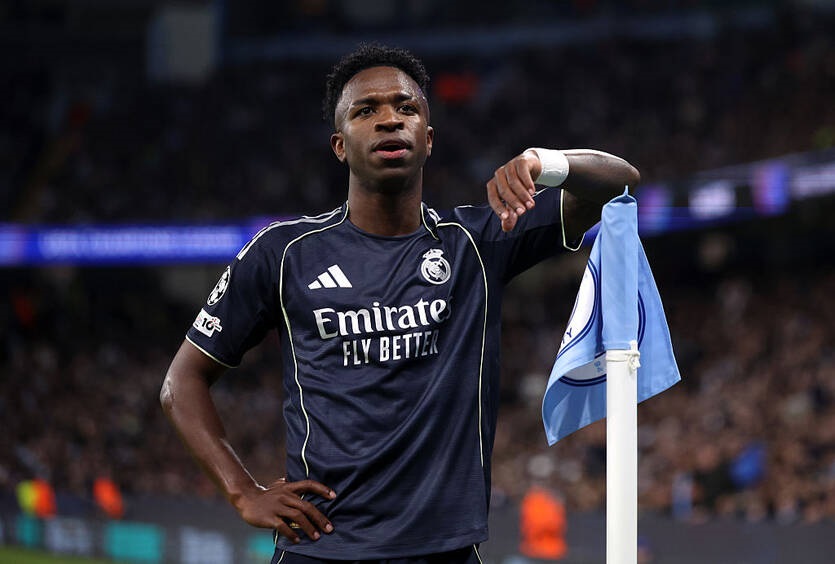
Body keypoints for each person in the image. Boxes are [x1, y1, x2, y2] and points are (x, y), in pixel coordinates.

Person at [160, 43, 639, 563]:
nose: (389, 119)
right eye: (366, 111)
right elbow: (180, 383)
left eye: (406, 108)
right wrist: (242, 492)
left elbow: (621, 184)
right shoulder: (283, 254)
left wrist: (545, 162)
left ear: (428, 139)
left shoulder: (478, 243)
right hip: (322, 549)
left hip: (445, 551)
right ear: (340, 146)